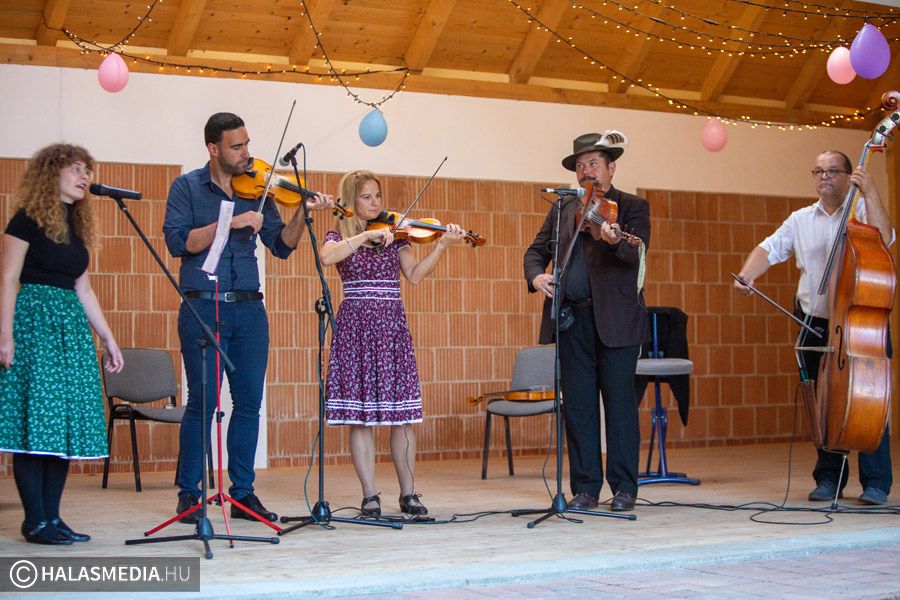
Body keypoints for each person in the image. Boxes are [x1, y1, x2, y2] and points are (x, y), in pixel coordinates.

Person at [163, 112, 332, 524]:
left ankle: (243, 493)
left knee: (250, 403)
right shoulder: (186, 187)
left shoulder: (258, 191)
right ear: (213, 149)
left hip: (250, 309)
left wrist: (301, 215)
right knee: (202, 403)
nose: (246, 154)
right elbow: (177, 241)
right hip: (204, 303)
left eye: (247, 144)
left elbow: (281, 246)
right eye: (236, 146)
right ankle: (189, 494)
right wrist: (232, 221)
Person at [734, 150, 893, 506]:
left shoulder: (864, 214)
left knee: (871, 401)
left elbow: (886, 240)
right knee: (822, 403)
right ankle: (829, 478)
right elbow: (769, 248)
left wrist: (871, 192)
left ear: (849, 176)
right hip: (815, 321)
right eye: (818, 171)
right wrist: (747, 274)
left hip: (860, 321)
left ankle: (876, 482)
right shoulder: (800, 219)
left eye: (833, 171)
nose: (824, 177)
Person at [319, 170, 465, 517]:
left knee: (402, 416)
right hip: (355, 327)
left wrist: (442, 245)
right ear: (351, 201)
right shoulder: (338, 234)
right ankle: (370, 495)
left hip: (391, 328)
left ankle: (409, 493)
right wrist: (366, 236)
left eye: (378, 196)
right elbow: (327, 257)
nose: (375, 203)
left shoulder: (397, 236)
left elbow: (413, 276)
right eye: (367, 197)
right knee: (361, 418)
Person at [0, 143, 124, 544]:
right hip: (34, 325)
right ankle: (34, 520)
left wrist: (108, 338)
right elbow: (7, 280)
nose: (84, 176)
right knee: (36, 423)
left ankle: (52, 518)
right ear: (50, 173)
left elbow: (83, 289)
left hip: (70, 329)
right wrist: (5, 336)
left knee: (63, 425)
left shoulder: (77, 227)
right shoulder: (25, 221)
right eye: (75, 169)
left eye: (86, 169)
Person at [523, 131, 651, 512]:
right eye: (580, 166)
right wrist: (536, 276)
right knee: (578, 407)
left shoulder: (632, 207)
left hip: (617, 322)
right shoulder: (562, 208)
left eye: (593, 163)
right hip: (571, 320)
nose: (585, 171)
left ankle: (625, 488)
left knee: (620, 406)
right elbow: (535, 251)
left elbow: (637, 253)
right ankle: (585, 488)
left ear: (612, 167)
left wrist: (613, 240)